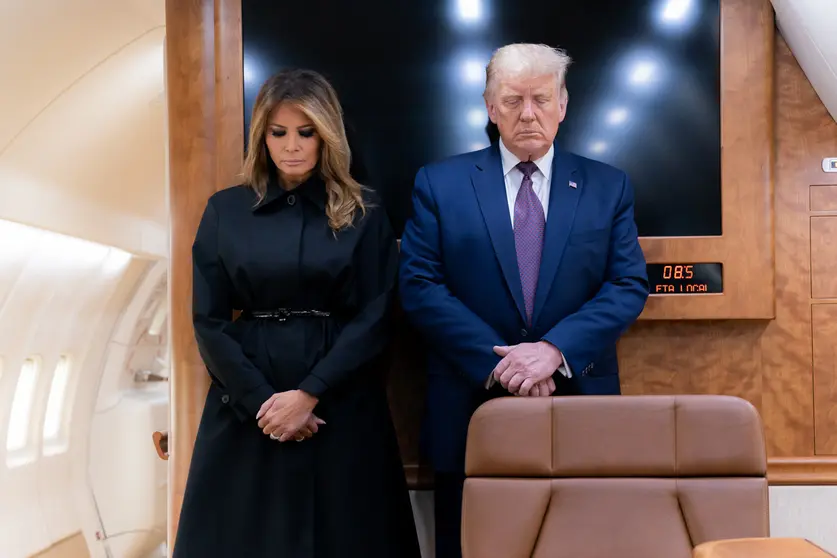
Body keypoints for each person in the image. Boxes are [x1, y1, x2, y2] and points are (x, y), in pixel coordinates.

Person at [398, 43, 649, 558]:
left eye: (540, 98)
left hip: (578, 404)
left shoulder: (608, 186)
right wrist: (506, 365)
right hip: (470, 405)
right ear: (491, 109)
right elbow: (420, 286)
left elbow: (626, 285)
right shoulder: (440, 183)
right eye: (512, 100)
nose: (528, 114)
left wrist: (553, 351)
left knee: (584, 545)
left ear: (563, 104)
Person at [173, 68, 421, 558]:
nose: (292, 146)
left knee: (348, 534)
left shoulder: (364, 210)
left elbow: (376, 313)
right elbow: (209, 319)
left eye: (306, 133)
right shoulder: (226, 210)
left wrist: (310, 394)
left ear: (327, 134)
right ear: (261, 135)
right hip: (248, 405)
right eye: (278, 132)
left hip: (342, 397)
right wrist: (263, 401)